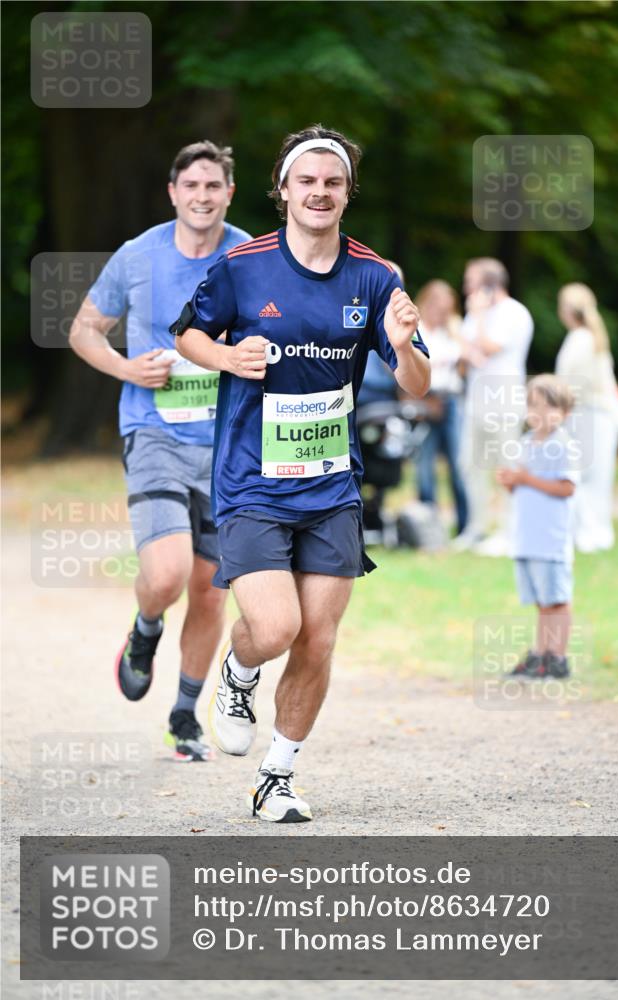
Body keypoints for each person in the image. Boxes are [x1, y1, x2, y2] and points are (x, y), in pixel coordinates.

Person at [171, 124, 430, 822]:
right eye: (306, 181)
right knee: (276, 625)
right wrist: (226, 359)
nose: (319, 192)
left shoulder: (376, 277)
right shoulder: (242, 266)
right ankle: (237, 669)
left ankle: (276, 778)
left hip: (331, 484)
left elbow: (414, 383)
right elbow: (186, 333)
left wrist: (404, 348)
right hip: (252, 478)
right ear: (282, 190)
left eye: (333, 182)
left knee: (319, 635)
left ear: (347, 194)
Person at [69, 141, 251, 761]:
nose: (202, 197)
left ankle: (185, 717)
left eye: (213, 186)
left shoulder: (250, 255)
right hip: (154, 433)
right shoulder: (137, 256)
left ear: (229, 193)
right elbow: (83, 328)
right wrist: (127, 368)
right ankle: (145, 630)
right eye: (191, 186)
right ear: (173, 193)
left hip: (229, 446)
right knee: (169, 574)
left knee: (210, 589)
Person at [496, 374, 578, 678]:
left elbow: (567, 487)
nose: (539, 414)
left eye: (548, 407)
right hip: (527, 537)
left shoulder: (563, 445)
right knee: (542, 602)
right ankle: (541, 652)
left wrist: (525, 479)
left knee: (557, 600)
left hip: (551, 539)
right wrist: (510, 482)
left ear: (565, 413)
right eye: (533, 405)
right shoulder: (525, 442)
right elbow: (520, 485)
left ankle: (558, 656)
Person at [456, 258, 534, 555]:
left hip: (503, 402)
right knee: (470, 465)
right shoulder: (477, 314)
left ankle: (508, 531)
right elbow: (464, 353)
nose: (466, 287)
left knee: (506, 467)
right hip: (476, 402)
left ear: (488, 285)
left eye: (471, 281)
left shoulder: (513, 313)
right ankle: (477, 528)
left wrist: (476, 319)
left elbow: (488, 348)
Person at [555, 283, 618, 552]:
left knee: (587, 476)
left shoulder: (581, 340)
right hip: (594, 415)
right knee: (593, 476)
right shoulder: (590, 337)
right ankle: (591, 532)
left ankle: (591, 534)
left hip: (590, 414)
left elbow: (574, 386)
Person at [413, 279, 468, 537]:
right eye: (439, 307)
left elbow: (465, 364)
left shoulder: (454, 330)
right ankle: (429, 528)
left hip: (452, 399)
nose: (443, 313)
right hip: (425, 400)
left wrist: (456, 330)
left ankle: (465, 526)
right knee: (424, 466)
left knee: (459, 465)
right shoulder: (417, 329)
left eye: (448, 308)